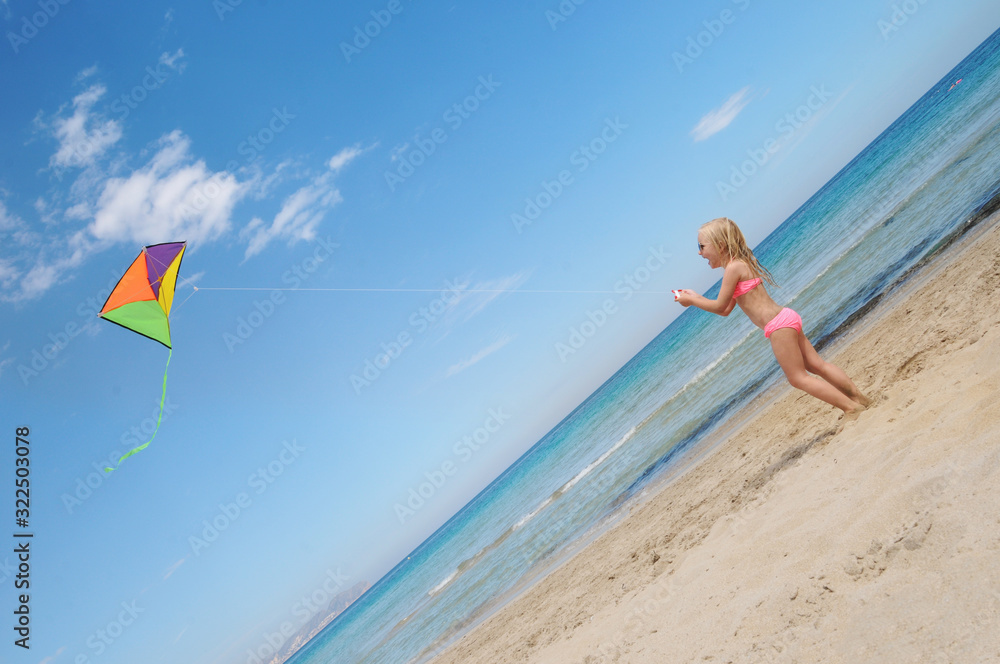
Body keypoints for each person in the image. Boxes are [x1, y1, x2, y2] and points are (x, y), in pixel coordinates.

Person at [675, 217, 871, 428]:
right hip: (786, 318)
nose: (699, 252)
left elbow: (719, 305)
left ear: (720, 245)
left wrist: (692, 300)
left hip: (778, 327)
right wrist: (694, 297)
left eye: (701, 246)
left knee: (798, 378)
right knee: (818, 365)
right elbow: (725, 310)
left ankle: (851, 407)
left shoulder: (732, 269)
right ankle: (860, 399)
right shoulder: (739, 264)